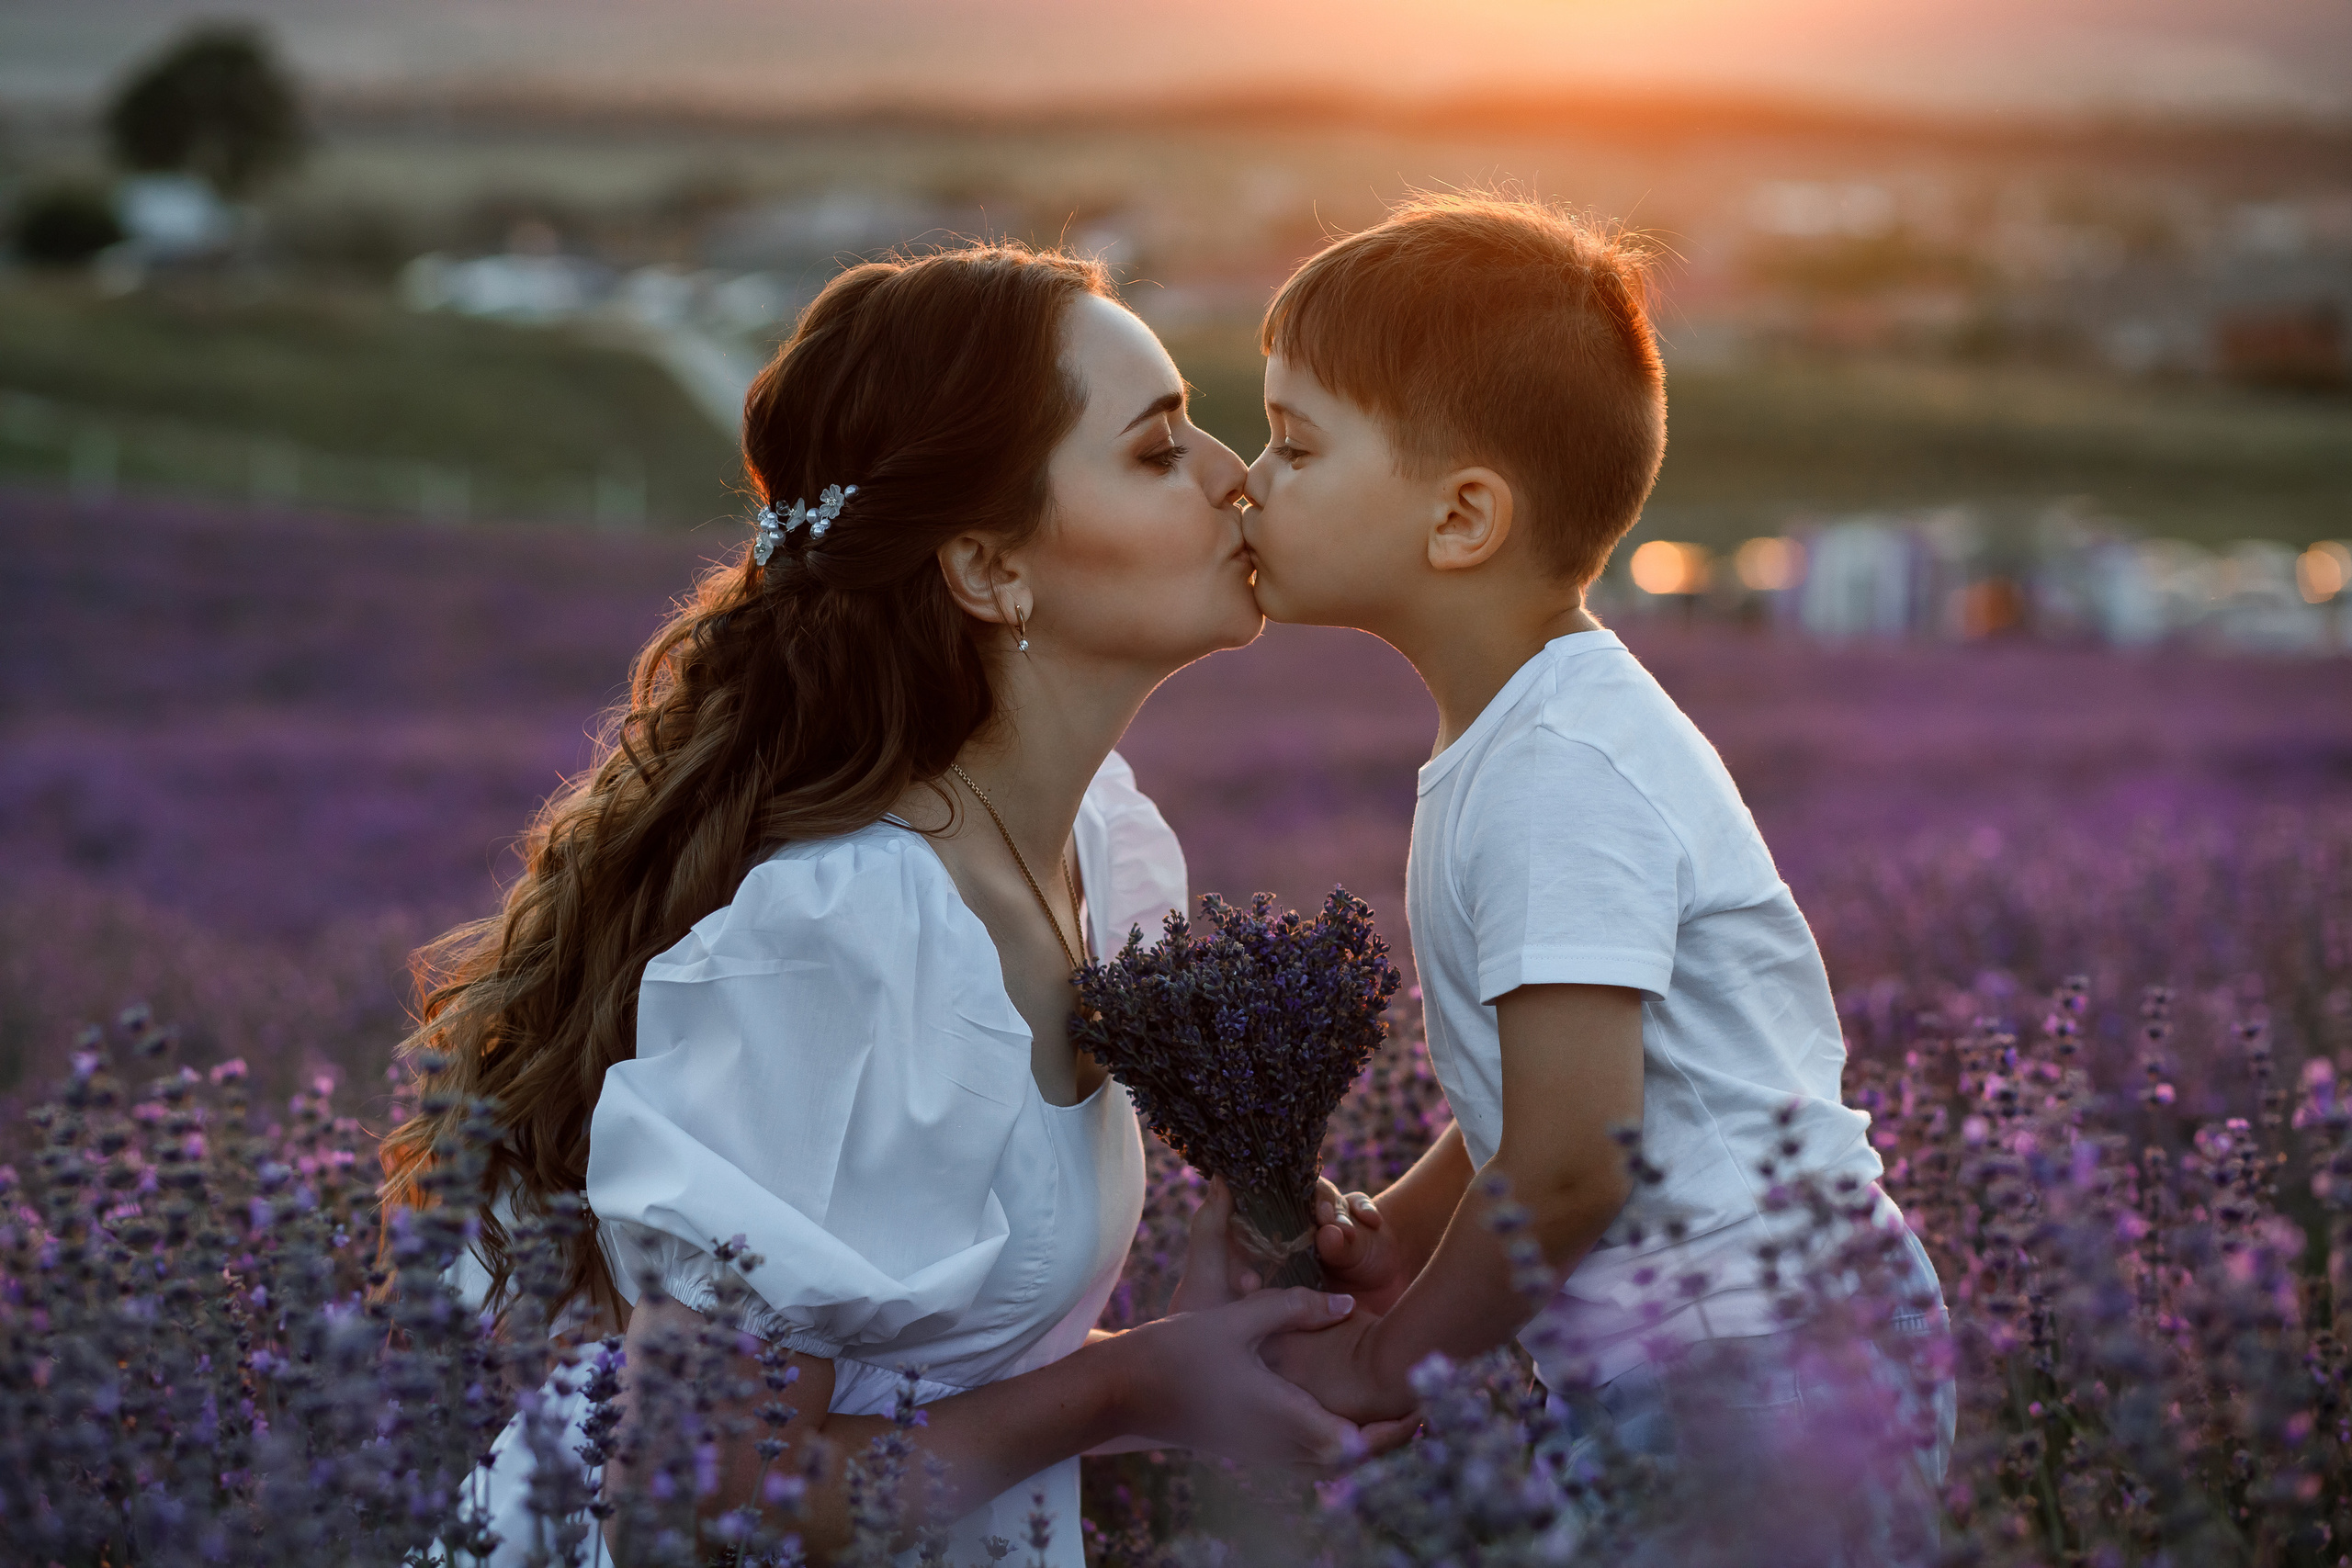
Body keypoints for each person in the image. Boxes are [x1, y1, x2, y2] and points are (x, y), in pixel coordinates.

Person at [379, 243, 1405, 1568]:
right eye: (1158, 451)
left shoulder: (1098, 848)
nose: (1235, 477)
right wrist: (1131, 1384)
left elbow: (903, 1369)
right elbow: (705, 1486)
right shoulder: (848, 934)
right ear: (988, 569)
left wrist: (1205, 1338)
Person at [1235, 197, 1955, 1528]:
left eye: (1294, 445)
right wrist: (1402, 1229)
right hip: (1716, 1348)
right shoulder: (1526, 730)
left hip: (1758, 1356)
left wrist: (1391, 1358)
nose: (1248, 481)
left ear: (1461, 518)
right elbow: (1548, 1094)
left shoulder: (1561, 767)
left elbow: (1574, 1161)